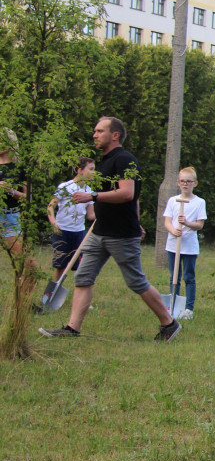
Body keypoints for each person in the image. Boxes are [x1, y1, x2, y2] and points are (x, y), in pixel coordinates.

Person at [39, 117, 183, 342]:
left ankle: (169, 324)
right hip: (99, 233)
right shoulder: (105, 161)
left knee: (136, 282)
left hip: (121, 234)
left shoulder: (125, 160)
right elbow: (132, 199)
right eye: (95, 131)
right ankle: (72, 328)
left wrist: (93, 195)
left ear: (115, 135)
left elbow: (128, 193)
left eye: (99, 131)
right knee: (83, 277)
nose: (94, 135)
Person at [162, 166, 207, 321]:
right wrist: (173, 230)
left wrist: (187, 223)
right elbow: (167, 221)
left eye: (189, 181)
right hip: (173, 245)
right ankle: (173, 305)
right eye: (182, 181)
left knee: (189, 277)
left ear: (195, 183)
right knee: (173, 276)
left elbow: (200, 224)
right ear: (178, 183)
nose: (185, 184)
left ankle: (188, 308)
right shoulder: (172, 200)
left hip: (189, 247)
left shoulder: (200, 202)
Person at [47, 157, 96, 281]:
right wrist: (53, 223)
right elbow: (50, 207)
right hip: (62, 231)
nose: (93, 172)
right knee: (61, 265)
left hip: (79, 233)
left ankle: (79, 293)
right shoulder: (66, 187)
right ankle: (54, 292)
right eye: (90, 169)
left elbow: (91, 216)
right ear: (80, 170)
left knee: (80, 266)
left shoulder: (89, 191)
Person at [0, 129, 28, 258]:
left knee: (24, 263)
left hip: (10, 216)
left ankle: (20, 279)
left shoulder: (20, 167)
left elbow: (27, 198)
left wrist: (10, 190)